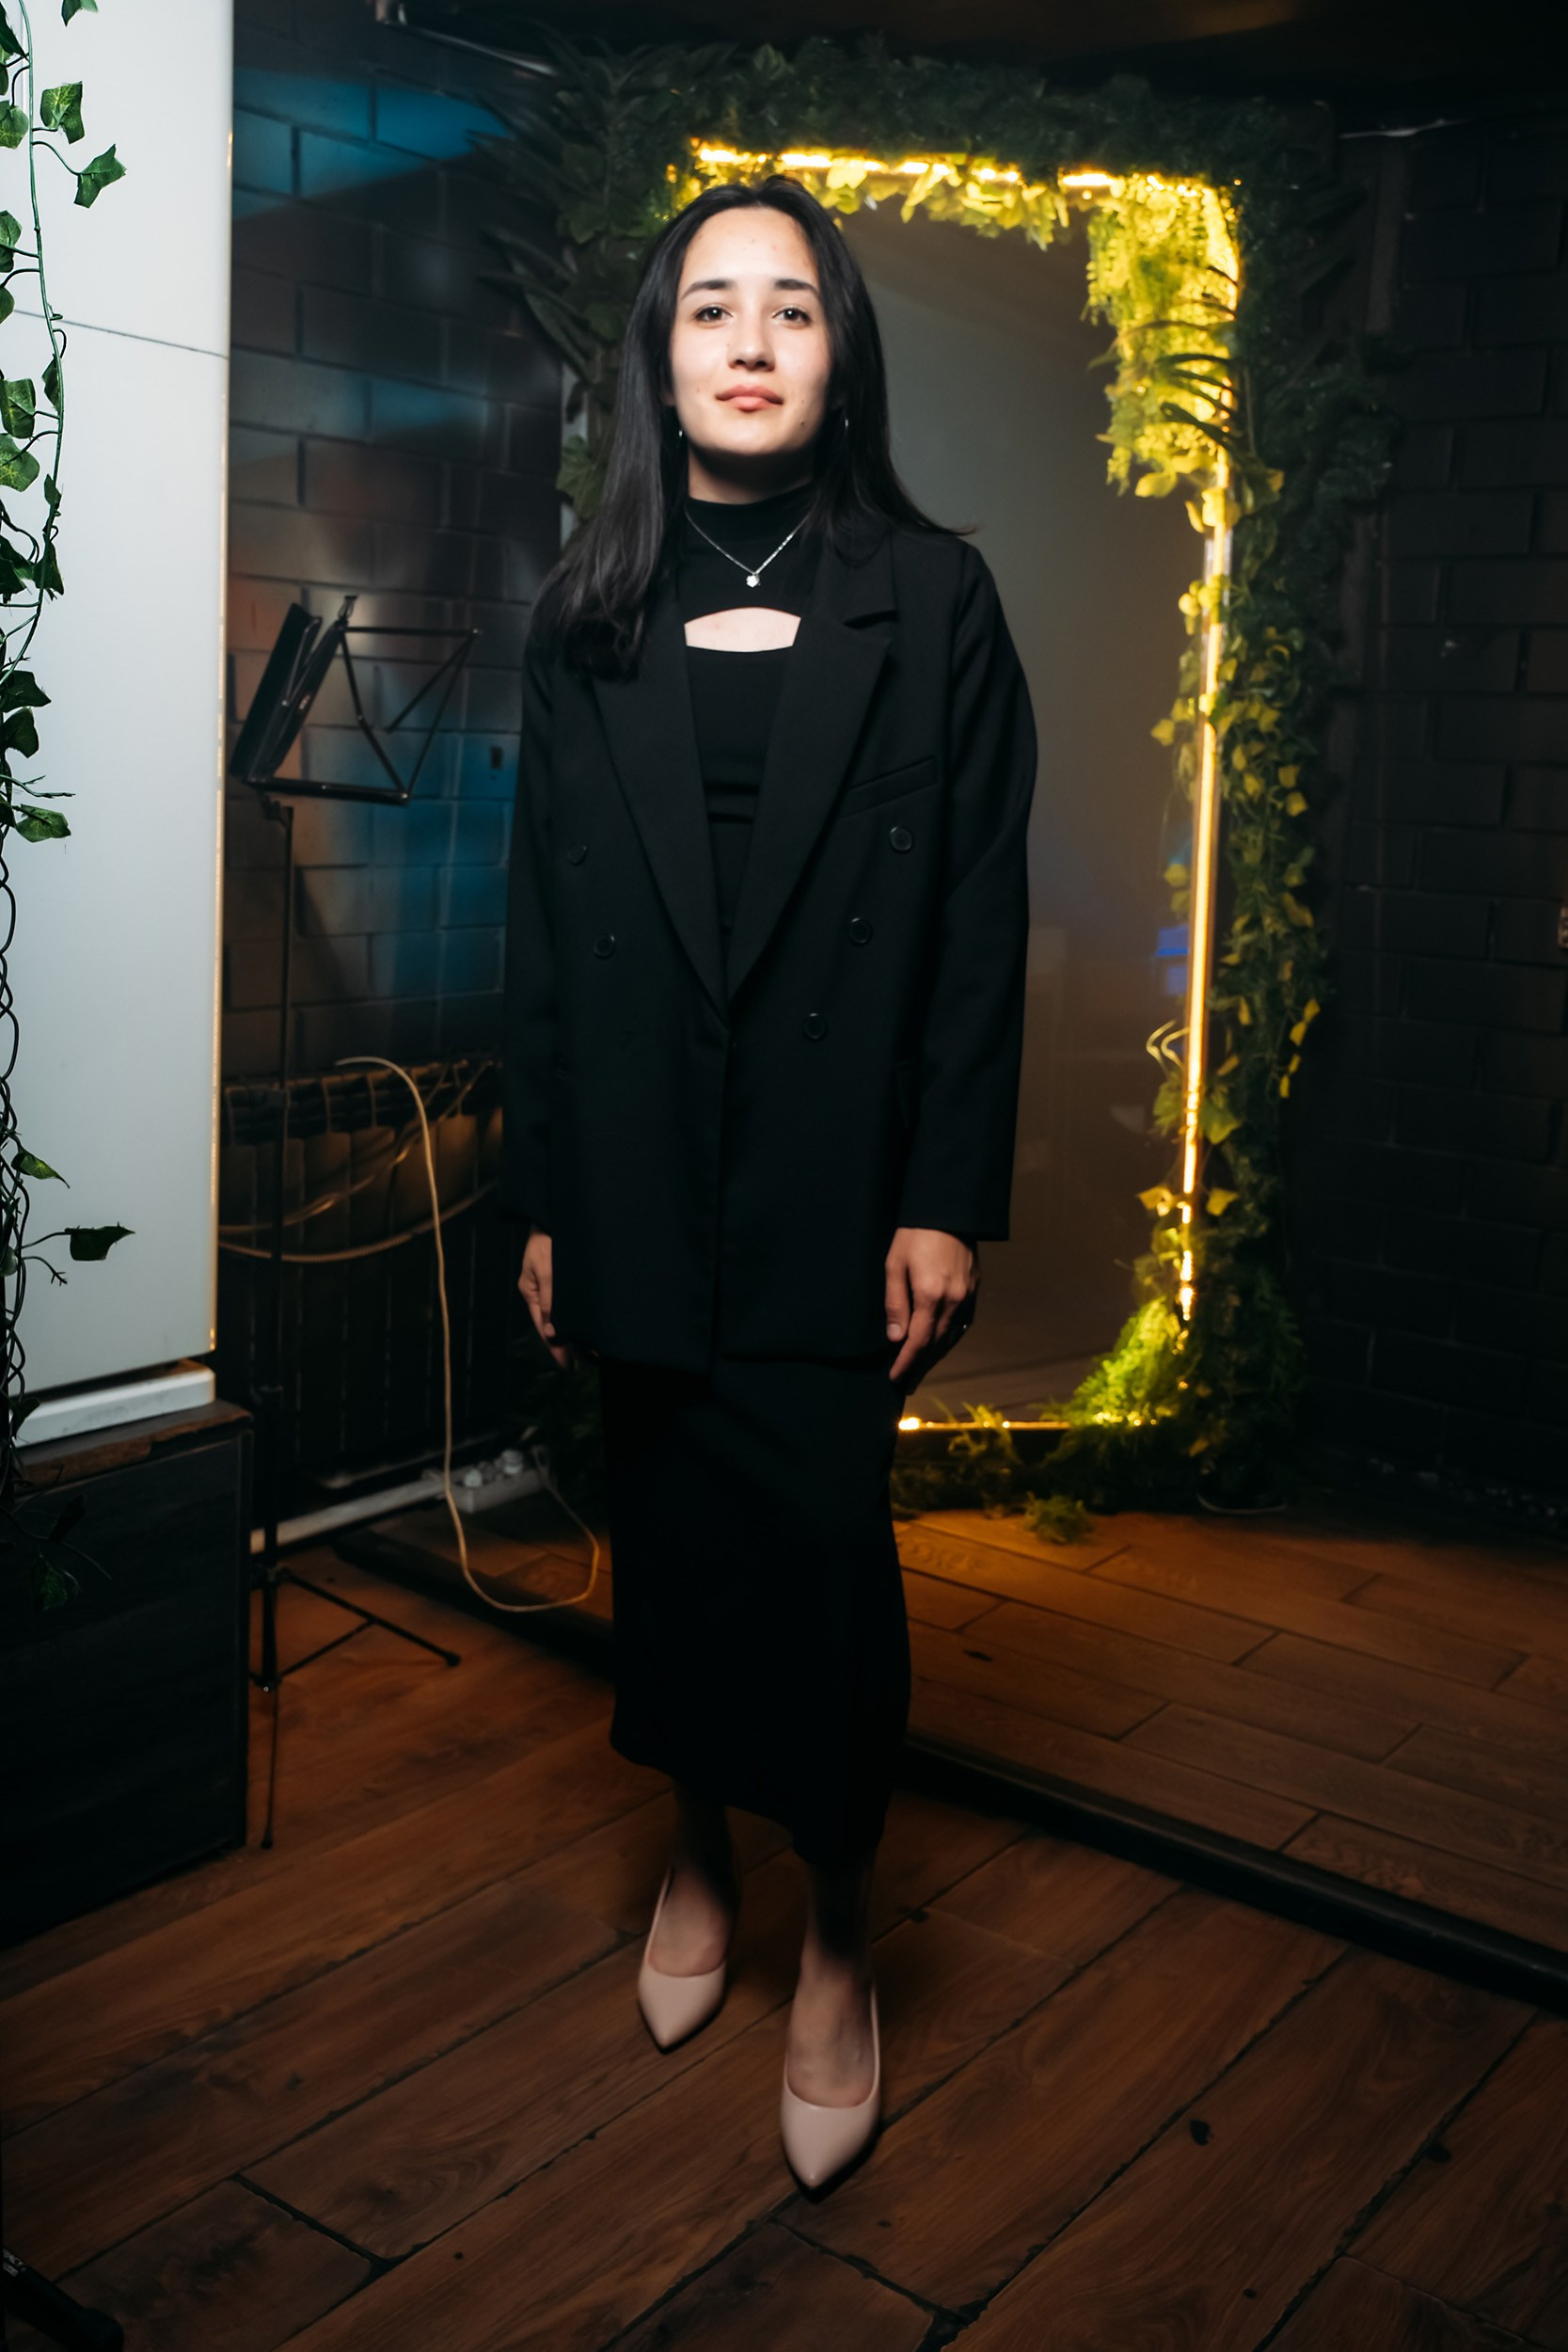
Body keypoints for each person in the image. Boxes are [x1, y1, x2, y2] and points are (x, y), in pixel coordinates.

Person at [500, 173, 1037, 2188]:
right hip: (637, 1169)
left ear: (839, 355)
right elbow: (544, 931)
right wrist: (549, 1192)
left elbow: (976, 922)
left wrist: (942, 1194)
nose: (748, 338)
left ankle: (838, 1927)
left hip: (835, 1183)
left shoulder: (936, 602)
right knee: (668, 1535)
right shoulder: (585, 613)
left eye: (790, 307)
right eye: (709, 305)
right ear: (659, 363)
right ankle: (696, 1848)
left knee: (819, 1559)